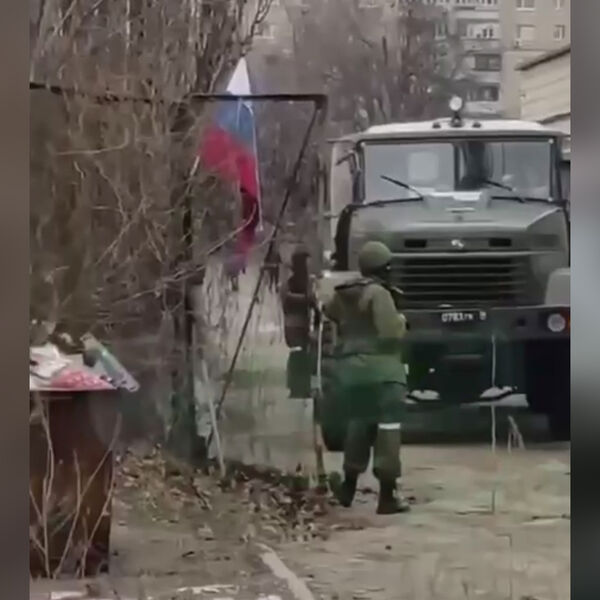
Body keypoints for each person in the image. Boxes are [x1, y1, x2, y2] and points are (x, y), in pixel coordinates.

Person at [323, 240, 410, 515]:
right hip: (384, 374)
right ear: (383, 268)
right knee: (387, 430)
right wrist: (402, 320)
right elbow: (390, 333)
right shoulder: (379, 294)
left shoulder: (344, 294)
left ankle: (347, 488)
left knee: (358, 426)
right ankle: (387, 497)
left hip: (352, 374)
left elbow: (328, 312)